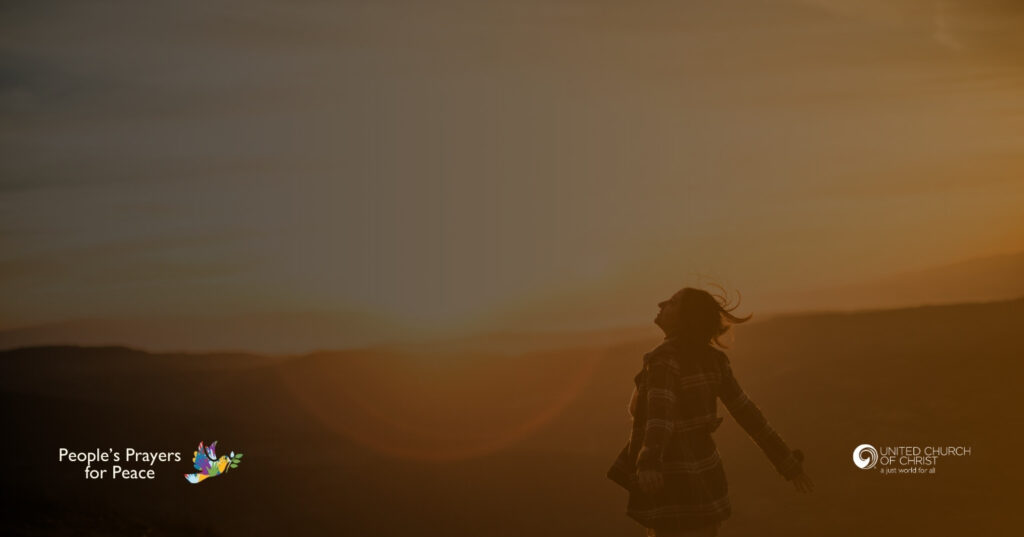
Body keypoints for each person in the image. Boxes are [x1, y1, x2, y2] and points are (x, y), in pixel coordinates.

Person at [607, 287, 814, 536]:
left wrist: (649, 463)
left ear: (685, 317)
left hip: (672, 479)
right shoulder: (714, 360)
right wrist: (787, 462)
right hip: (706, 477)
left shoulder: (663, 359)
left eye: (672, 302)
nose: (661, 304)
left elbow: (660, 417)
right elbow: (749, 415)